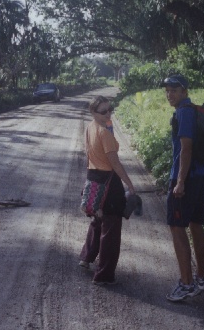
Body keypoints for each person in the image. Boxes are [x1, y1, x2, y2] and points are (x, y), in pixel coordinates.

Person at [161, 74, 204, 302]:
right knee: (196, 225)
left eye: (174, 90)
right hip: (201, 175)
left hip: (187, 178)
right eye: (167, 90)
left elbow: (186, 148)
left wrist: (180, 181)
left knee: (176, 226)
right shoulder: (193, 110)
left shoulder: (184, 112)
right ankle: (201, 278)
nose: (169, 94)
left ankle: (186, 284)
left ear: (184, 91)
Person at [79, 96, 136, 285]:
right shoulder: (104, 133)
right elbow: (115, 163)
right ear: (93, 113)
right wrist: (129, 184)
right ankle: (103, 275)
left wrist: (108, 124)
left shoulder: (91, 127)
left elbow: (90, 154)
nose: (108, 114)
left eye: (110, 109)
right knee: (110, 231)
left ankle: (86, 257)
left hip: (94, 178)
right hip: (109, 183)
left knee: (97, 220)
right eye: (103, 112)